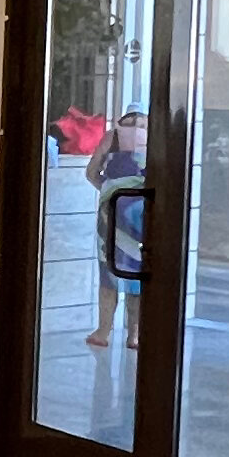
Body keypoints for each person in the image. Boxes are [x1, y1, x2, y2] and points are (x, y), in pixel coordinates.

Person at [84, 112, 148, 348]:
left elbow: (91, 172)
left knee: (110, 273)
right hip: (138, 215)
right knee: (135, 276)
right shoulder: (153, 141)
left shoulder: (111, 138)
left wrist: (109, 188)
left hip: (113, 214)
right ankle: (133, 334)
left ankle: (104, 331)